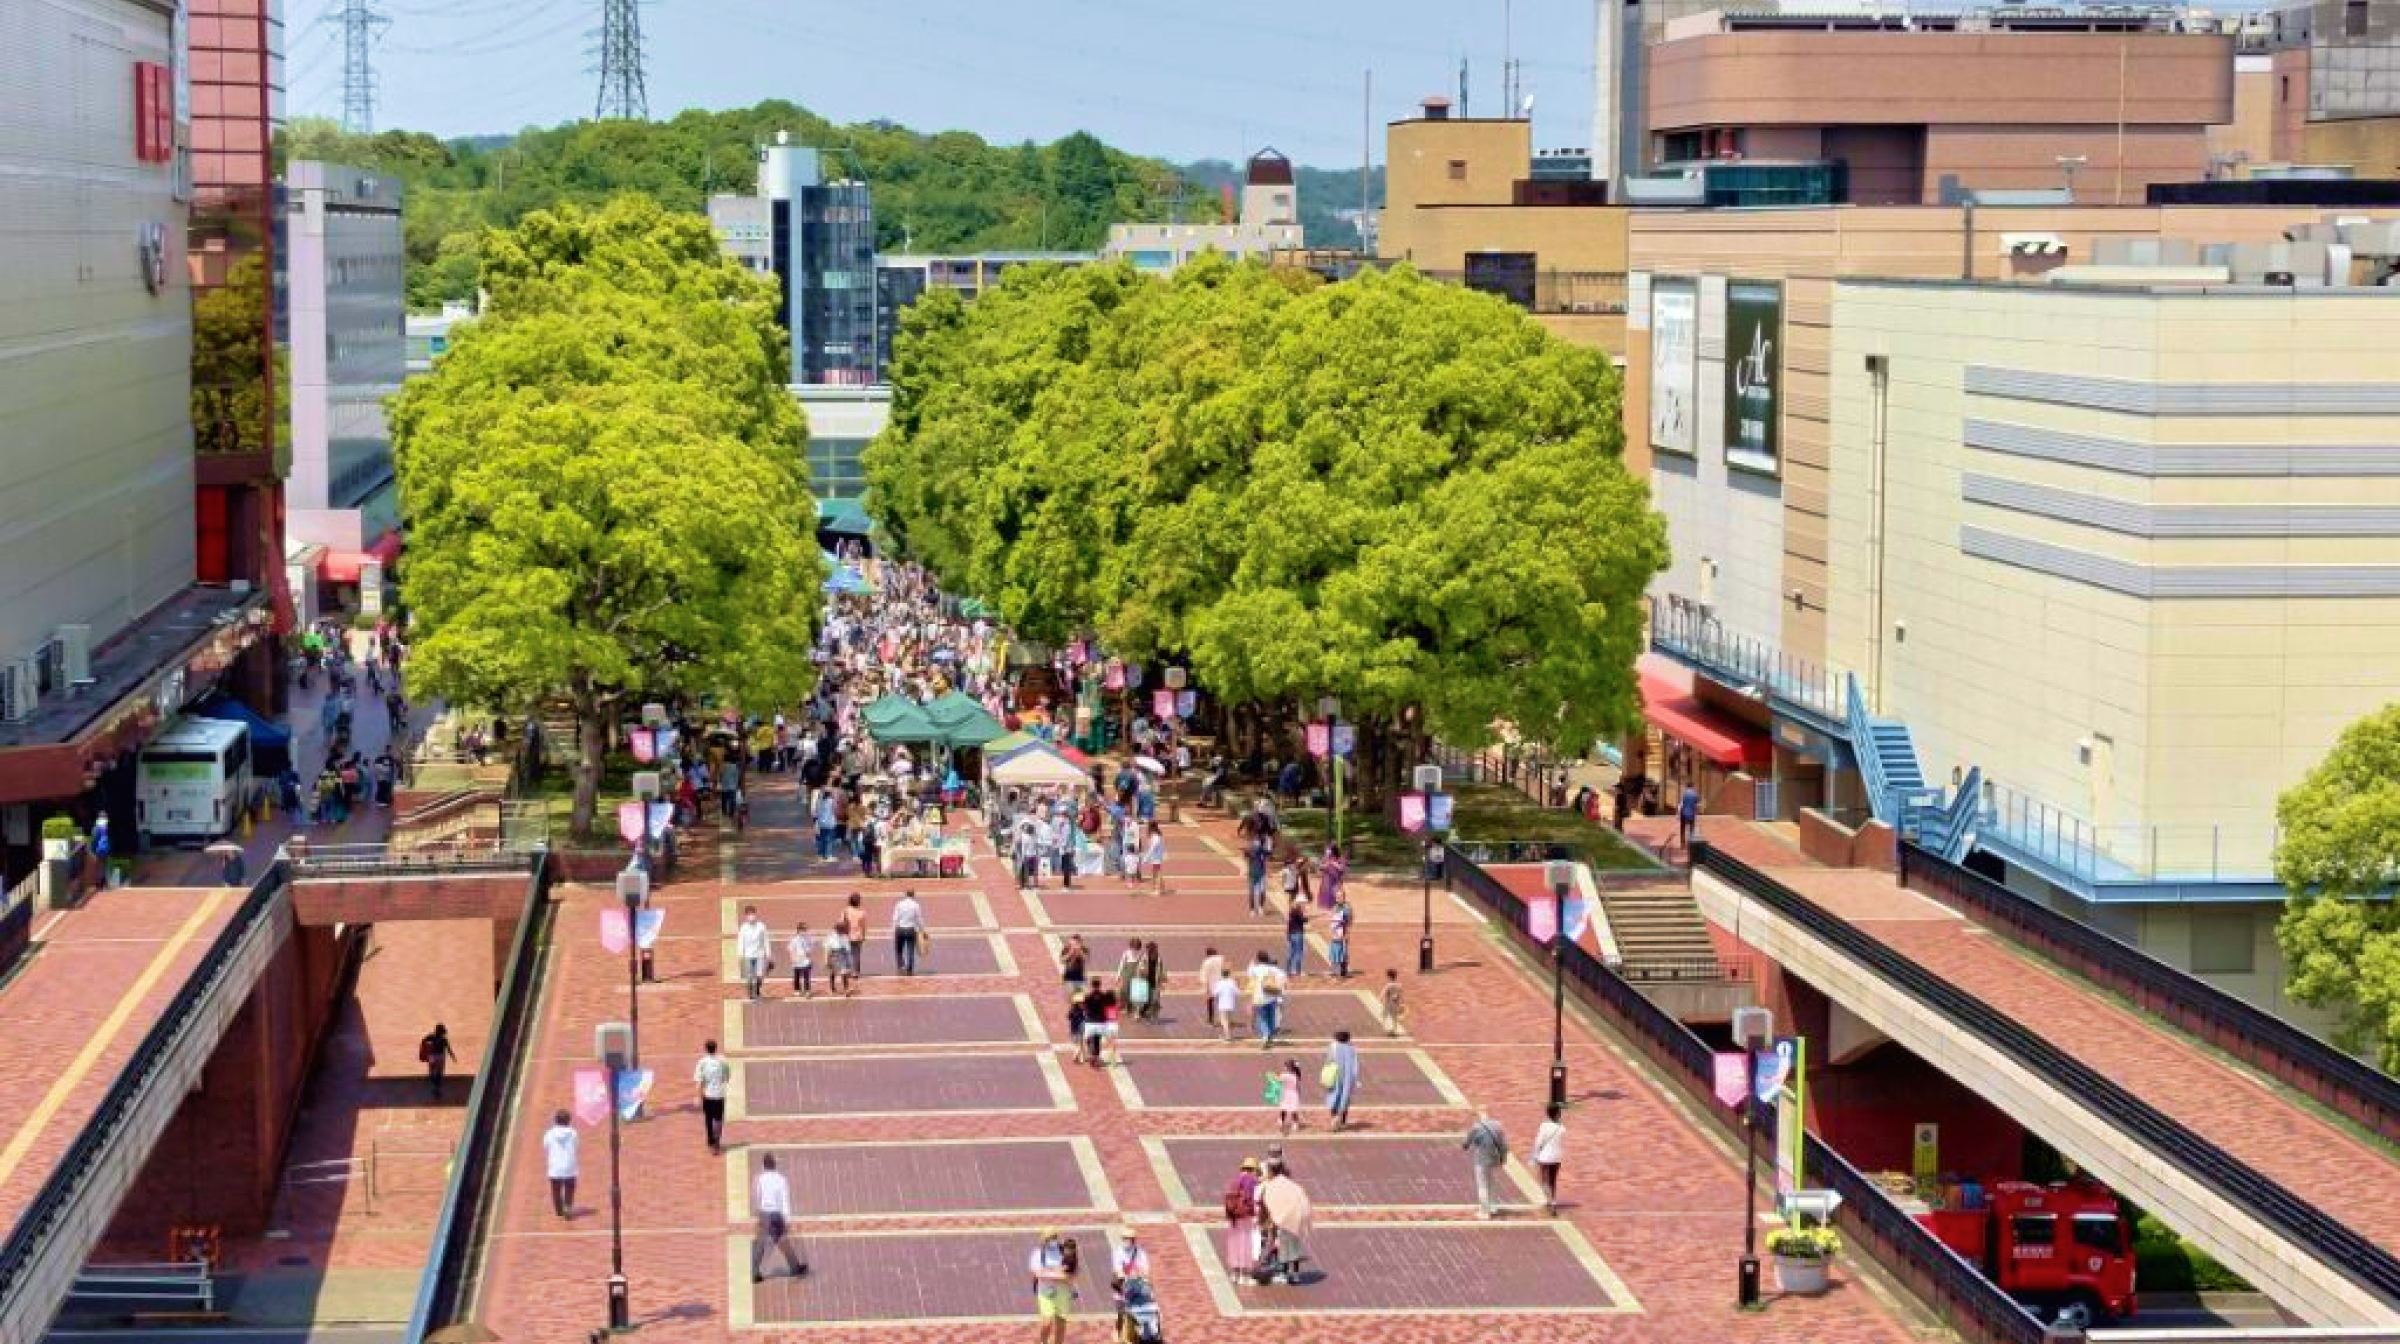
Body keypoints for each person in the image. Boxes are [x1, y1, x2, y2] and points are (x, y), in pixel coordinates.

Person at [750, 1154, 808, 1283]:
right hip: (776, 1215)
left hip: (764, 1213)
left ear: (764, 1165)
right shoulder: (781, 1179)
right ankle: (794, 1267)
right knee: (781, 1241)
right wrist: (787, 1219)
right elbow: (784, 1200)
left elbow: (756, 1195)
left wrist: (758, 1212)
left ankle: (755, 1272)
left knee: (762, 1242)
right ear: (774, 1165)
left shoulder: (759, 1178)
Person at [1256, 1159, 1315, 1284]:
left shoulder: (1273, 1186)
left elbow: (1268, 1204)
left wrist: (1268, 1221)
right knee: (1295, 1249)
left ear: (1271, 1171)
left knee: (1284, 1249)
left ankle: (1284, 1274)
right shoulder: (1292, 1185)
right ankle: (1295, 1274)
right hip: (1295, 1219)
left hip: (1283, 1221)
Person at [1030, 1230, 1077, 1344]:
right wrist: (1059, 1274)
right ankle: (1043, 1341)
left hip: (1063, 1291)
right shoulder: (1038, 1253)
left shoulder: (1063, 1250)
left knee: (1061, 1323)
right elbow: (1038, 1273)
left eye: (1054, 1237)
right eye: (1050, 1237)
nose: (1052, 1240)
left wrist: (1049, 1272)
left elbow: (1072, 1270)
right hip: (1045, 1292)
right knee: (1047, 1321)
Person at [1221, 1160, 1262, 1283]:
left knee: (1234, 1243)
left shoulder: (1235, 1180)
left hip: (1234, 1216)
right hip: (1246, 1215)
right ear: (1253, 1169)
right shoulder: (1252, 1180)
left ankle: (1234, 1273)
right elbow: (1253, 1198)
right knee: (1246, 1243)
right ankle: (1244, 1275)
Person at [1463, 1111, 1510, 1219]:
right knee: (1491, 1182)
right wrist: (1503, 1157)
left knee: (1482, 1185)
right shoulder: (1497, 1126)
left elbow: (1466, 1143)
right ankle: (1493, 1206)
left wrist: (1468, 1144)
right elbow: (1504, 1145)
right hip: (1494, 1158)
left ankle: (1484, 1211)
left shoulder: (1476, 1128)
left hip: (1481, 1160)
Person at [695, 1039, 731, 1153]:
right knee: (719, 1119)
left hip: (708, 1095)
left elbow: (699, 1081)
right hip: (719, 1094)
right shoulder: (723, 1060)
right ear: (716, 1048)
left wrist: (698, 1096)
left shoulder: (702, 1062)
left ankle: (710, 1139)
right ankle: (717, 1141)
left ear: (706, 1049)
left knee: (708, 1118)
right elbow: (727, 1076)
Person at [542, 1108, 578, 1219]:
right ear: (568, 1121)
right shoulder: (573, 1133)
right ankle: (567, 1206)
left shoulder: (550, 1133)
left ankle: (559, 1210)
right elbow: (577, 1145)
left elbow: (545, 1146)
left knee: (556, 1190)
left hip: (555, 1166)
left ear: (556, 1120)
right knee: (569, 1188)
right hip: (569, 1166)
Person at [1534, 1102, 1567, 1216]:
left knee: (1544, 1179)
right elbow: (1562, 1142)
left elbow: (1538, 1142)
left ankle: (1549, 1201)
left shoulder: (1543, 1126)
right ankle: (1552, 1200)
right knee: (1553, 1180)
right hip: (1557, 1156)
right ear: (1558, 1114)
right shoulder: (1562, 1128)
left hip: (1544, 1156)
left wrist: (1535, 1153)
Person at [1248, 952, 1287, 1049]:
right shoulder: (1274, 969)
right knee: (1271, 1017)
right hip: (1272, 996)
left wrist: (1252, 963)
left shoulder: (1256, 969)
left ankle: (1265, 1037)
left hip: (1260, 997)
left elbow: (1249, 973)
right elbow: (1283, 976)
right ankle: (1270, 1035)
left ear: (1258, 959)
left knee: (1263, 1018)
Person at [1323, 1030, 1360, 1131]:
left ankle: (1334, 1119)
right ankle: (1342, 1121)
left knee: (1334, 1098)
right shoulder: (1351, 1048)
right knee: (1345, 1100)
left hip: (1335, 1077)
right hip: (1347, 1079)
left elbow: (1328, 1061)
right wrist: (1355, 1079)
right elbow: (1355, 1065)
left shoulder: (1333, 1047)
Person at [737, 905, 772, 1001]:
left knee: (759, 975)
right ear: (746, 916)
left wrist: (768, 954)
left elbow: (766, 940)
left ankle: (757, 991)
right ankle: (750, 994)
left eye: (752, 914)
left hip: (759, 954)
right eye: (749, 914)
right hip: (748, 955)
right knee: (749, 977)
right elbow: (741, 941)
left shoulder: (761, 926)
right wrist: (740, 955)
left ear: (756, 914)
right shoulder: (743, 927)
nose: (751, 916)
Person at [419, 1024, 457, 1101]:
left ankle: (434, 1085)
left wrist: (426, 1050)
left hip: (432, 1056)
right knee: (439, 1073)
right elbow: (448, 1049)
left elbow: (423, 1042)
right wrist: (453, 1057)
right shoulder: (443, 1040)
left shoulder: (431, 1037)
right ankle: (436, 1087)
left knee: (432, 1072)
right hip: (440, 1057)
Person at [892, 889, 925, 975]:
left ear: (905, 894)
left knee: (899, 950)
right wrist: (922, 930)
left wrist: (894, 929)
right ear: (913, 895)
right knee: (910, 950)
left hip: (900, 929)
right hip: (911, 929)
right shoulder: (916, 905)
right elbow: (919, 919)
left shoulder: (899, 904)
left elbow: (895, 918)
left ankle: (901, 966)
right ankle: (909, 970)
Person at [839, 894, 869, 982]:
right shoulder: (862, 912)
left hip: (847, 935)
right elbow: (863, 926)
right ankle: (856, 972)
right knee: (856, 955)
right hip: (858, 935)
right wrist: (864, 935)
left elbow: (841, 923)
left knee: (847, 954)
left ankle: (847, 971)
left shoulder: (845, 911)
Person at [1212, 960, 1243, 1043]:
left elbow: (1215, 993)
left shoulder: (1220, 983)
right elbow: (1238, 992)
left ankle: (1228, 1036)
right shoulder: (1232, 982)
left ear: (1222, 975)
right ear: (1228, 974)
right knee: (1229, 1021)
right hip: (1231, 1004)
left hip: (1222, 1005)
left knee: (1224, 1021)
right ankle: (1228, 1035)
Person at [1327, 893, 1354, 979]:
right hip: (1335, 932)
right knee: (1335, 951)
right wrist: (1331, 930)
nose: (1338, 898)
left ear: (1344, 897)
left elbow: (1349, 921)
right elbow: (1332, 919)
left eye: (1340, 897)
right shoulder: (1335, 907)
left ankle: (1343, 972)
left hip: (1343, 932)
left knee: (1343, 952)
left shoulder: (1347, 908)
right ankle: (1336, 970)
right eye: (1337, 897)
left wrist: (1347, 933)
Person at [1275, 1059, 1305, 1135]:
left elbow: (1278, 1080)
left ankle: (1281, 1122)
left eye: (1285, 1066)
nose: (1284, 1068)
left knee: (1283, 1109)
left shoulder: (1284, 1075)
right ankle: (1295, 1124)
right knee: (1293, 1111)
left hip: (1286, 1094)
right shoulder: (1297, 1075)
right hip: (1294, 1094)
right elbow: (1298, 1086)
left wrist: (1274, 1076)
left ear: (1289, 1067)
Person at [1197, 946, 1225, 1028]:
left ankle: (1211, 1019)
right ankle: (1223, 1018)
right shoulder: (1221, 959)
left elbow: (1204, 975)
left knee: (1210, 1002)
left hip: (1211, 984)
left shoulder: (1207, 962)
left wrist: (1204, 986)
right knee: (1221, 1002)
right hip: (1221, 982)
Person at [1060, 934, 1090, 1002]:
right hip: (1069, 977)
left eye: (1076, 943)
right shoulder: (1066, 949)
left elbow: (1086, 959)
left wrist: (1079, 951)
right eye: (1072, 943)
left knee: (1084, 998)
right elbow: (1062, 960)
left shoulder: (1084, 949)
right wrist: (1071, 952)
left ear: (1080, 943)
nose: (1074, 945)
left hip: (1080, 977)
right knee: (1071, 998)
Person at [788, 921, 815, 997]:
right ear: (799, 930)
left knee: (807, 976)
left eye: (806, 930)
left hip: (806, 960)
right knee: (797, 976)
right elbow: (791, 949)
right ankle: (797, 990)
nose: (805, 931)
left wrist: (809, 956)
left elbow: (811, 947)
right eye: (803, 930)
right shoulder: (794, 939)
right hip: (797, 960)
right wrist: (793, 958)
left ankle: (807, 990)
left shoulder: (808, 938)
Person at [1284, 899, 1309, 977]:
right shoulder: (1297, 912)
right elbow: (1304, 920)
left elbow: (1288, 925)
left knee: (1291, 953)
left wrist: (1287, 935)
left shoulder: (1290, 913)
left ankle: (1288, 971)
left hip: (1291, 934)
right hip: (1298, 934)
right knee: (1298, 952)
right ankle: (1298, 971)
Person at [1141, 821, 1167, 897]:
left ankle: (1157, 890)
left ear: (1152, 828)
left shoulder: (1156, 837)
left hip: (1156, 858)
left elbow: (1152, 849)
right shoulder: (1155, 836)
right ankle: (1162, 888)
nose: (1147, 828)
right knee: (1157, 873)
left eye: (1148, 827)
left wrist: (1145, 858)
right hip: (1156, 857)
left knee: (1156, 874)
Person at [1380, 969, 1406, 1038]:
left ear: (1389, 976)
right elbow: (1401, 995)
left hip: (1388, 1003)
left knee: (1384, 1016)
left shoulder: (1388, 985)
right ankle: (1394, 1030)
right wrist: (1402, 1003)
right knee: (1394, 1018)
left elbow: (1383, 993)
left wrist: (1380, 999)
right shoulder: (1399, 985)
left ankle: (1387, 1030)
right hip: (1396, 1004)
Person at [1678, 781, 1700, 853]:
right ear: (1693, 786)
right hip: (1691, 814)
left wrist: (1678, 814)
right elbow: (1697, 805)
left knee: (1682, 828)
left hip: (1683, 813)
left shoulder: (1684, 794)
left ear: (1687, 786)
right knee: (1691, 829)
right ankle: (1690, 844)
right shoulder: (1695, 794)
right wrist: (1696, 813)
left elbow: (1681, 804)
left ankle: (1682, 844)